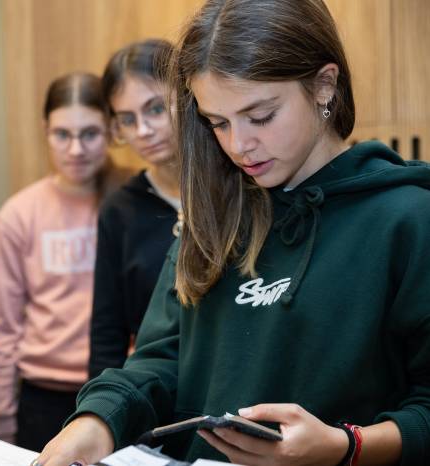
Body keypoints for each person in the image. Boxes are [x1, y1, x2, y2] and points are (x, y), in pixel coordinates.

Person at [35, 0, 430, 464]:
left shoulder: (407, 218)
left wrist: (345, 447)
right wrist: (97, 420)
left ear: (324, 85)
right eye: (217, 123)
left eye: (260, 116)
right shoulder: (213, 214)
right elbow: (161, 358)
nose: (239, 145)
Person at [0, 72, 119, 452]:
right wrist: (0, 415)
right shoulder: (21, 213)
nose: (76, 149)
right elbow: (0, 325)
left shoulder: (129, 204)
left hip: (118, 393)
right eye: (62, 135)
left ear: (110, 130)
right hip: (43, 396)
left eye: (90, 133)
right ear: (45, 131)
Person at [89, 38, 181, 379]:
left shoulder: (238, 190)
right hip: (155, 388)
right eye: (127, 119)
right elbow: (107, 331)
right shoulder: (119, 211)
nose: (143, 130)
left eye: (156, 109)